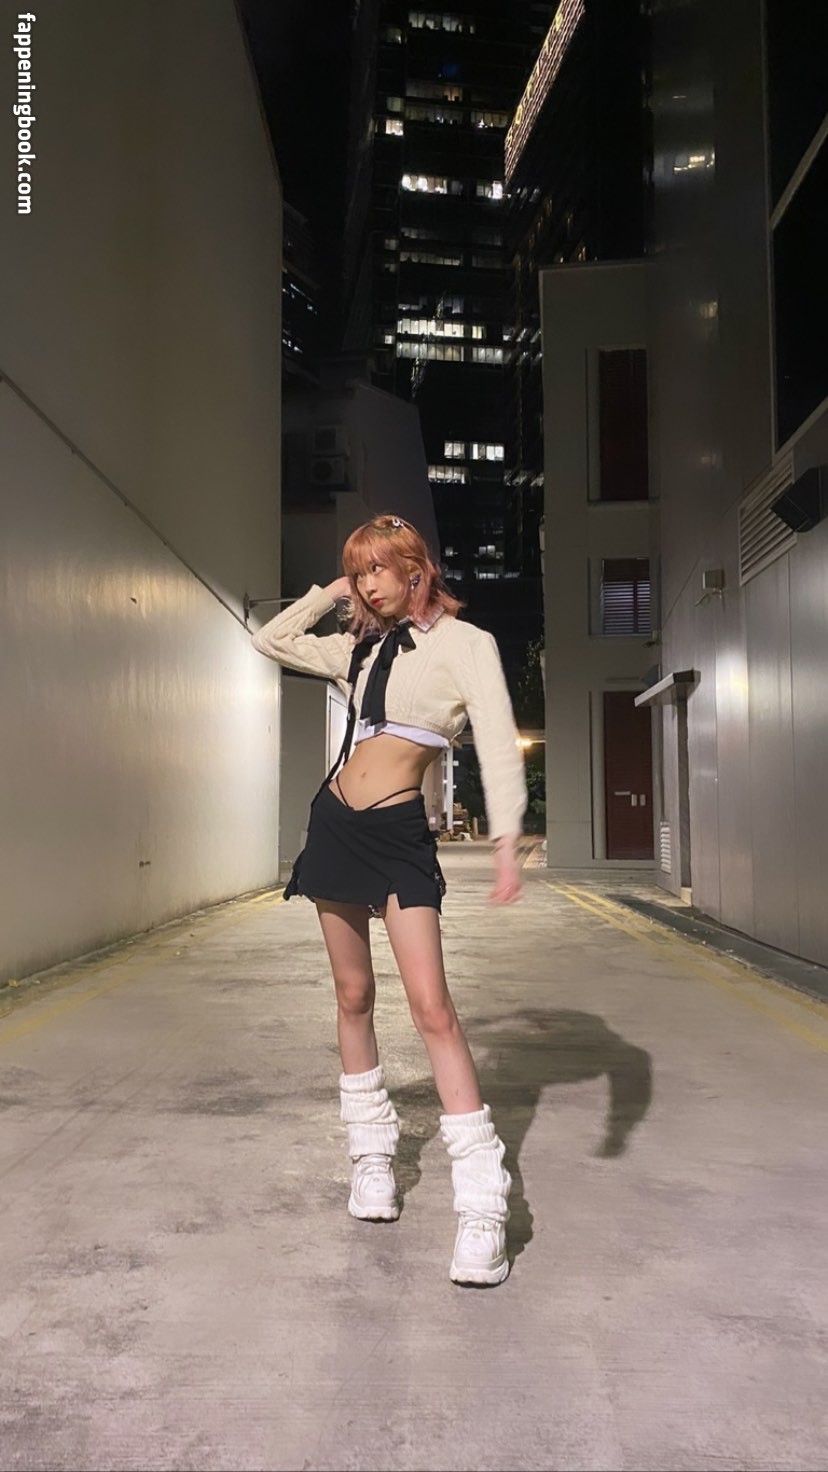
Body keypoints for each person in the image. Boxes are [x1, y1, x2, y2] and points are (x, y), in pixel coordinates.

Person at [251, 514, 527, 1285]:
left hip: (399, 834)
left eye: (378, 568)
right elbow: (270, 639)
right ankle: (371, 1157)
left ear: (417, 568)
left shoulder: (467, 645)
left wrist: (507, 839)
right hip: (335, 824)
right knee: (352, 994)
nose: (368, 584)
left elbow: (497, 739)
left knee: (432, 1007)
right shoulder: (360, 649)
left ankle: (482, 1204)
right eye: (358, 571)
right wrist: (329, 592)